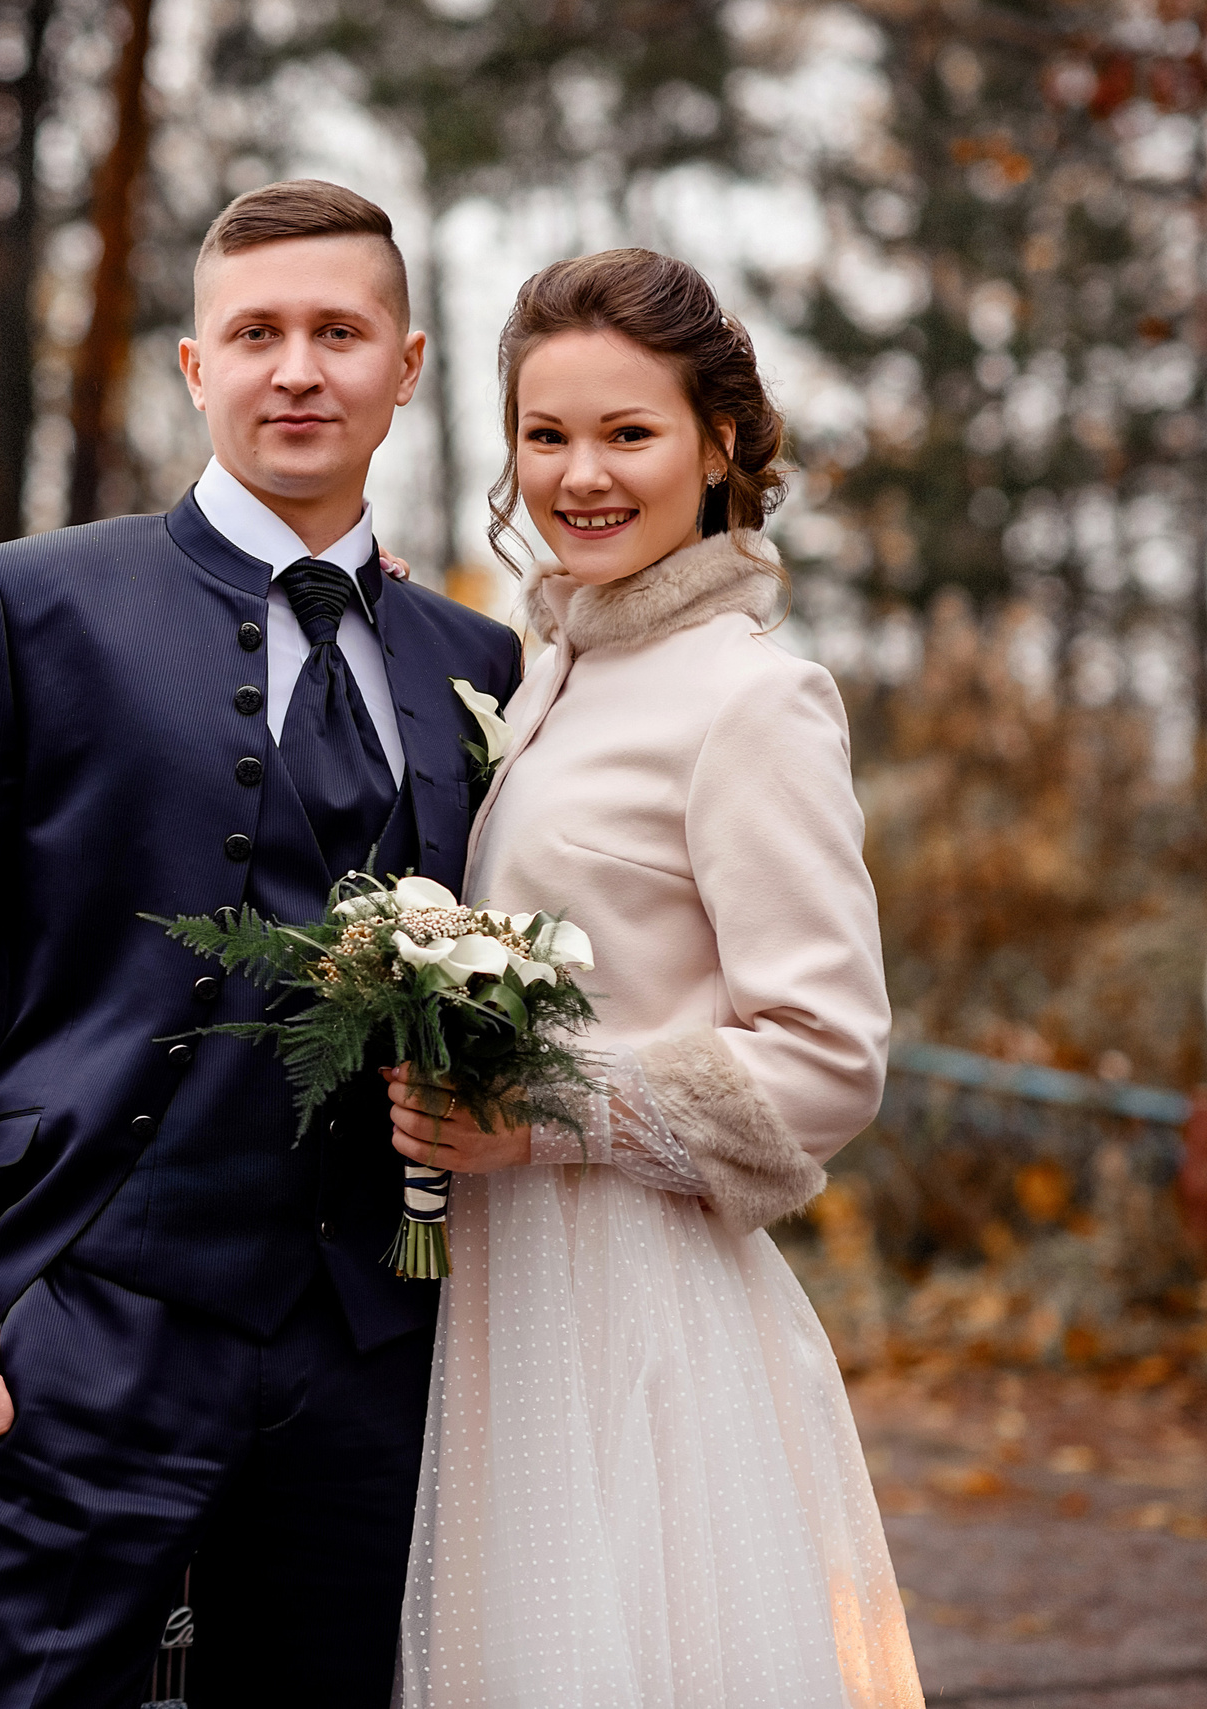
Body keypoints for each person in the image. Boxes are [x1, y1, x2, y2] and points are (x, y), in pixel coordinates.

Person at [0, 178, 521, 1708]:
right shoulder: (31, 605)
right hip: (84, 1329)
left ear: (405, 367)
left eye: (339, 332)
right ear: (194, 365)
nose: (299, 368)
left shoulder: (475, 659)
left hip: (371, 1359)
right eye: (257, 331)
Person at [383, 248, 924, 1707]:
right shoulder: (551, 674)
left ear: (721, 444)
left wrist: (543, 1109)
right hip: (503, 1304)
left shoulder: (754, 697)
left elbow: (828, 1057)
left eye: (629, 433)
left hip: (635, 1314)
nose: (582, 475)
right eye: (547, 435)